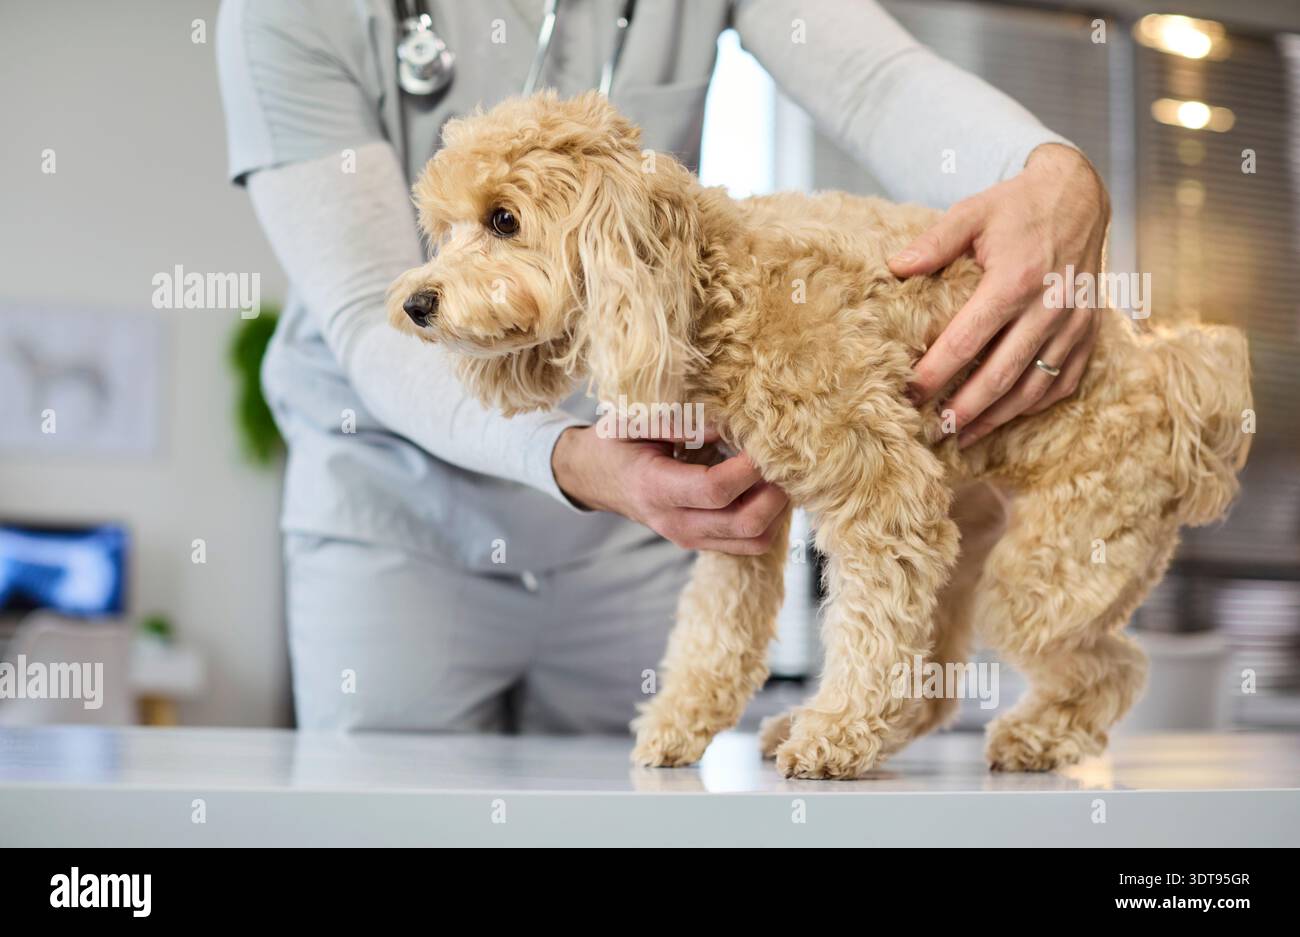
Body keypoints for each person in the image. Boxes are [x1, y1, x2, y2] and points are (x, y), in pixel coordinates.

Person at [215, 0, 1108, 733]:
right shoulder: (283, 17)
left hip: (648, 506)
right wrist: (570, 456)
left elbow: (877, 84)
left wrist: (1047, 171)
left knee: (642, 799)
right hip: (397, 516)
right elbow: (378, 321)